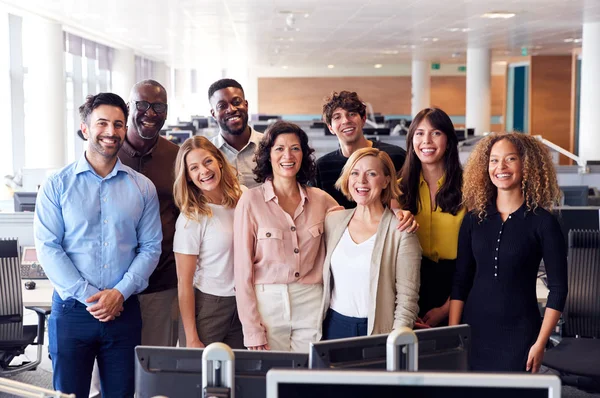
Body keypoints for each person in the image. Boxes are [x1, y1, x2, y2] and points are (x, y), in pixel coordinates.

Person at [34, 93, 162, 397]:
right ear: (85, 128)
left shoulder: (142, 187)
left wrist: (119, 294)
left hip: (123, 310)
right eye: (102, 123)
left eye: (118, 124)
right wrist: (92, 297)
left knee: (122, 393)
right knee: (68, 394)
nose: (111, 131)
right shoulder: (57, 185)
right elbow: (48, 247)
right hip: (73, 311)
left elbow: (151, 247)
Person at [449, 132, 568, 372]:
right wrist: (454, 333)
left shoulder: (544, 222)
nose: (500, 167)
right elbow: (461, 281)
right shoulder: (473, 219)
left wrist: (540, 343)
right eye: (493, 160)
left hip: (521, 335)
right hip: (474, 330)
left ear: (526, 165)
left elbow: (558, 289)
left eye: (510, 159)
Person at [234, 120, 340, 352]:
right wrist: (252, 329)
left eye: (295, 148)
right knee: (270, 376)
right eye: (279, 148)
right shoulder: (250, 201)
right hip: (267, 302)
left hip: (311, 300)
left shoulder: (321, 200)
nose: (287, 155)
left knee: (306, 377)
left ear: (303, 154)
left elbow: (358, 222)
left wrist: (394, 211)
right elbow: (242, 271)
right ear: (268, 155)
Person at [320, 148, 421, 339]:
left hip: (378, 330)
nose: (361, 181)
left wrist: (397, 341)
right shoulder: (333, 221)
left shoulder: (401, 231)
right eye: (355, 173)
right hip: (334, 326)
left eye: (371, 174)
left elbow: (407, 300)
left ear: (386, 180)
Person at [118, 79, 180, 347]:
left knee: (155, 373)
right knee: (111, 380)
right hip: (112, 285)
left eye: (159, 106)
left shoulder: (177, 157)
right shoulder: (108, 152)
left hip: (161, 284)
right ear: (129, 106)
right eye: (142, 105)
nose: (150, 113)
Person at [173, 136, 244, 349]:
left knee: (239, 374)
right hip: (210, 306)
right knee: (203, 376)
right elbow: (184, 283)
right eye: (194, 168)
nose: (203, 171)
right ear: (187, 177)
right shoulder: (191, 217)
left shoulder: (244, 197)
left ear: (219, 161)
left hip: (243, 304)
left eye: (207, 161)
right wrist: (192, 337)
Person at [397, 108, 465, 327]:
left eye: (436, 133)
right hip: (410, 286)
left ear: (448, 140)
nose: (426, 140)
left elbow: (475, 260)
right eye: (419, 133)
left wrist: (446, 309)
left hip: (457, 288)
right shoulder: (397, 191)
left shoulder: (470, 190)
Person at [315, 91, 407, 209]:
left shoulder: (395, 156)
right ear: (330, 128)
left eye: (352, 114)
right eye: (337, 117)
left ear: (363, 119)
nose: (345, 121)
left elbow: (409, 200)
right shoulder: (322, 167)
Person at [209, 78, 263, 188]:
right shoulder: (207, 152)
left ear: (246, 105)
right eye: (222, 106)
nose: (231, 109)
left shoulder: (269, 145)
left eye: (236, 102)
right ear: (213, 113)